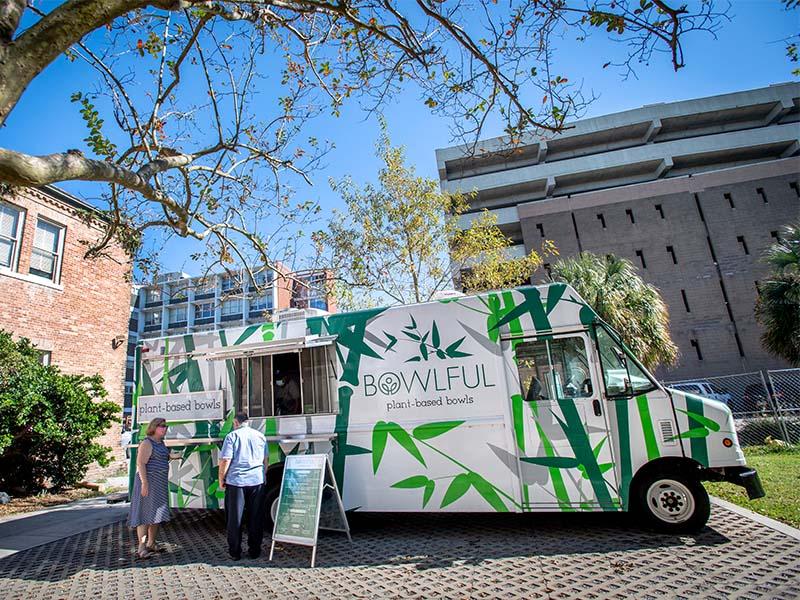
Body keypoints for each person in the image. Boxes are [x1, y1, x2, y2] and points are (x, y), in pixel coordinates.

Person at [218, 411, 269, 560]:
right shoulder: (260, 436)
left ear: (235, 422)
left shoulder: (232, 436)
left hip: (237, 482)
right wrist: (263, 475)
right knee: (256, 517)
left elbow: (226, 460)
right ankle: (254, 551)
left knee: (235, 518)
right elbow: (265, 460)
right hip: (257, 481)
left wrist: (222, 478)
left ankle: (235, 552)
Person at [128, 417, 180, 559]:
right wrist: (144, 483)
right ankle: (141, 547)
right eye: (161, 426)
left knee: (156, 513)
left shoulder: (160, 443)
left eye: (165, 426)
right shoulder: (147, 443)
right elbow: (141, 463)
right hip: (149, 482)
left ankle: (152, 543)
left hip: (159, 483)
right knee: (145, 514)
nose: (164, 428)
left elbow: (161, 457)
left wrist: (172, 456)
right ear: (154, 427)